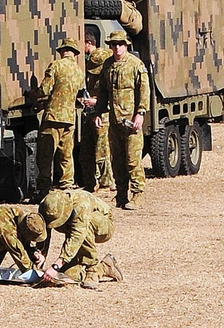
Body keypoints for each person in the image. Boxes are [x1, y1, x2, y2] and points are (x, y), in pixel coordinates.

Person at [95, 29, 150, 210]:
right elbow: (103, 92)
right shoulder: (108, 66)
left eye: (120, 44)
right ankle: (121, 194)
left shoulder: (136, 65)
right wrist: (98, 112)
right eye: (114, 45)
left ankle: (137, 194)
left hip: (131, 122)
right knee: (116, 160)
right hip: (114, 121)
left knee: (133, 160)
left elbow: (144, 91)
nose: (117, 48)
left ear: (126, 45)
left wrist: (140, 113)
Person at [38, 189, 124, 288]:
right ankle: (106, 266)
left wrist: (56, 266)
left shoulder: (81, 205)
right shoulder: (45, 205)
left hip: (103, 224)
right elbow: (44, 230)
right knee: (68, 276)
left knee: (87, 224)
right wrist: (41, 254)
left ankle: (93, 269)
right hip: (77, 231)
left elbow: (77, 236)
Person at [34, 38, 84, 197]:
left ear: (62, 51)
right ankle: (66, 187)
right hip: (70, 119)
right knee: (66, 155)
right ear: (75, 53)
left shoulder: (56, 66)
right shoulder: (78, 71)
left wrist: (33, 95)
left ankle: (43, 190)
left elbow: (45, 90)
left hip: (53, 117)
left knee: (45, 155)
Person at [78, 32, 115, 193]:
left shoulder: (108, 74)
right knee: (85, 150)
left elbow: (113, 96)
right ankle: (90, 183)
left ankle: (107, 182)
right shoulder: (93, 71)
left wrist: (96, 101)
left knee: (102, 150)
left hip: (103, 114)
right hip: (91, 113)